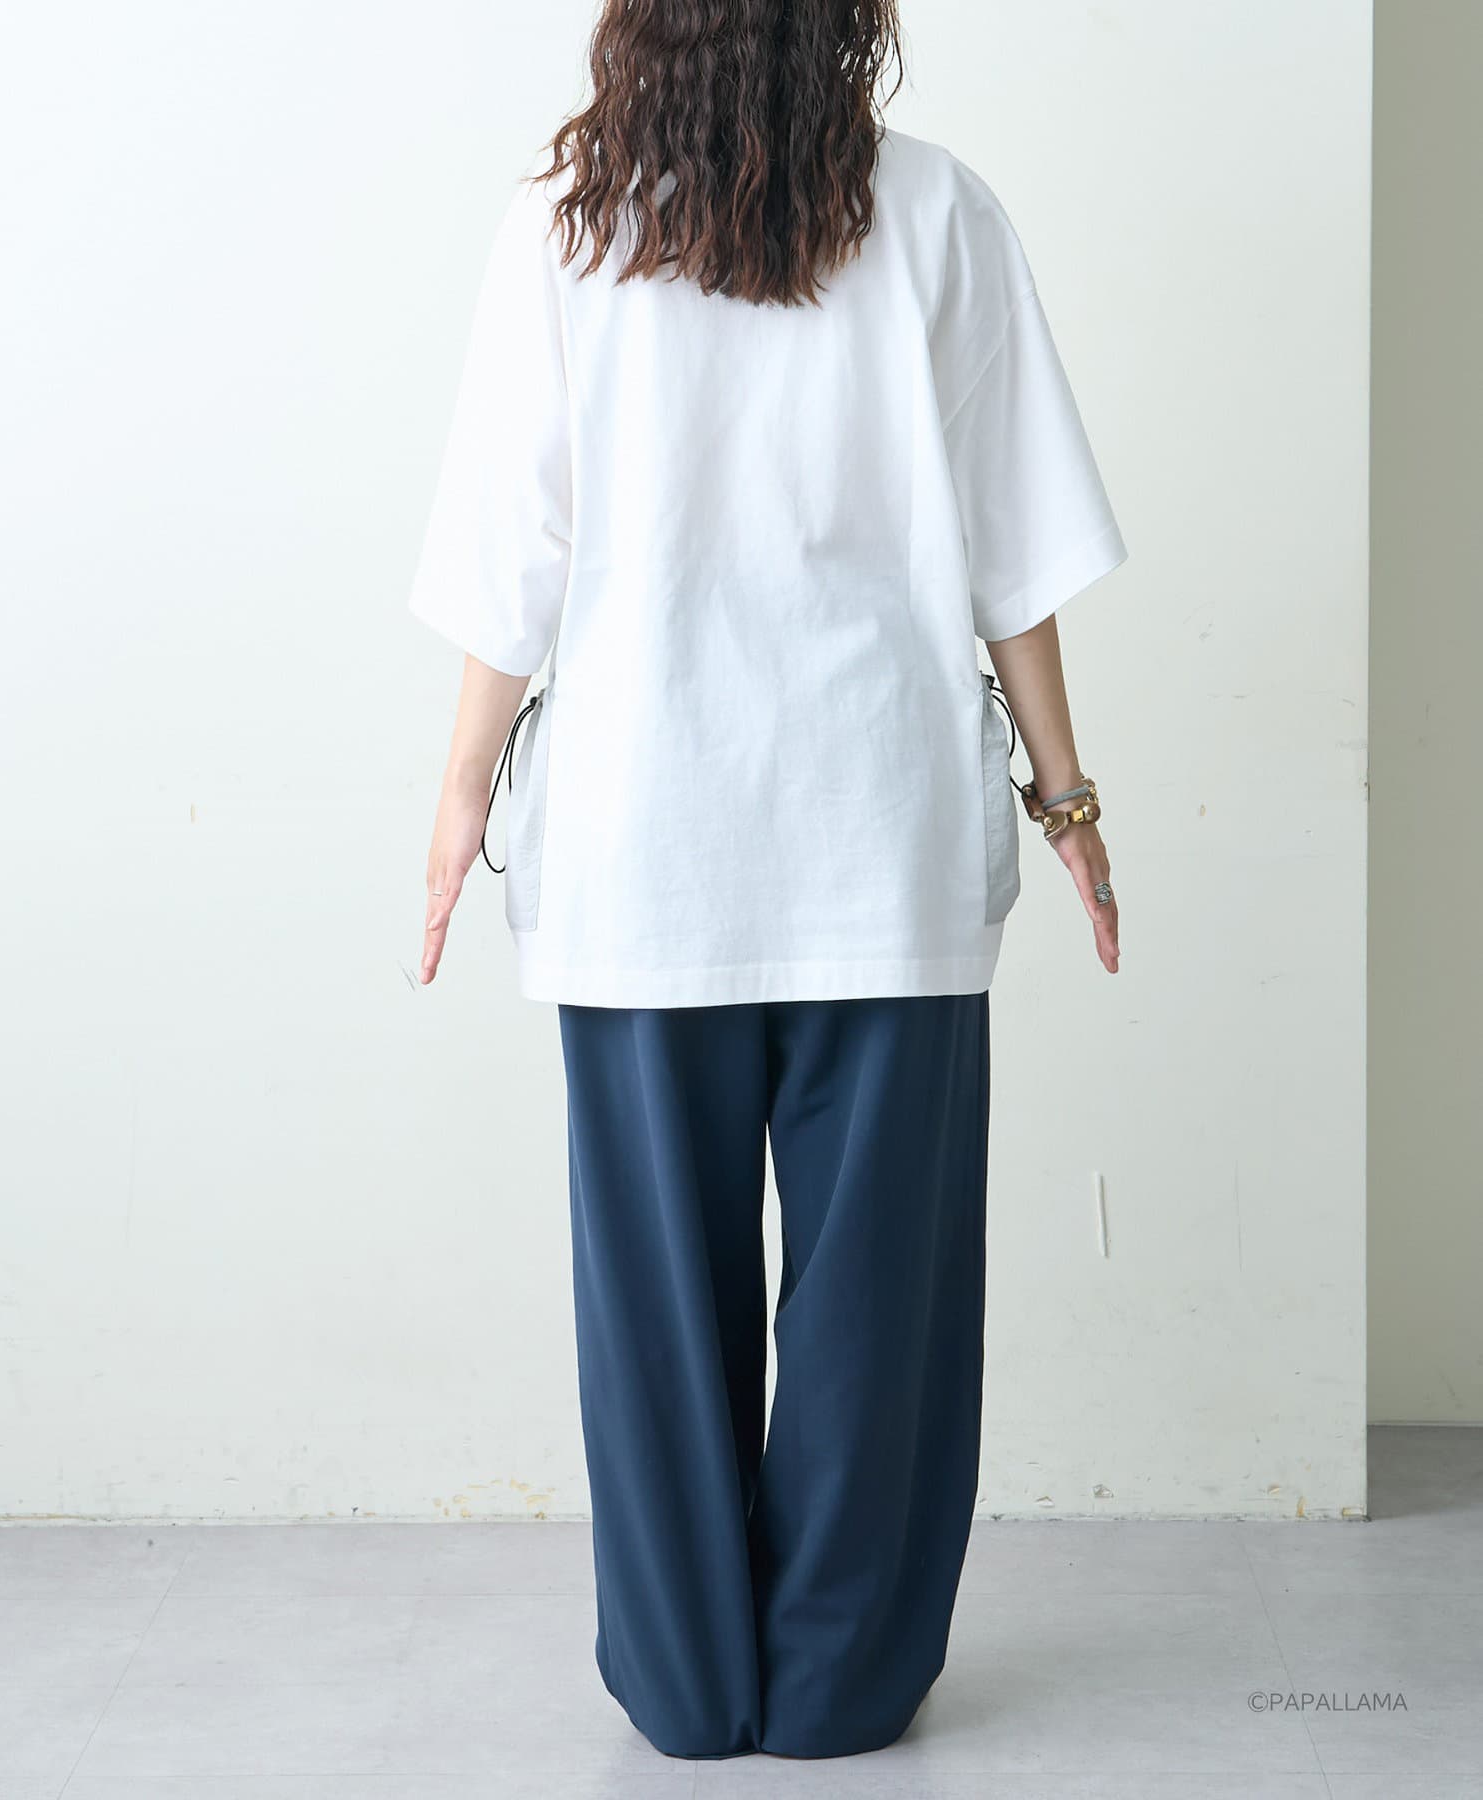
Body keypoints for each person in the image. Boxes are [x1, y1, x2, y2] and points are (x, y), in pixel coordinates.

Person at [407, 0, 1126, 1764]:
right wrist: (1067, 796)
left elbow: (514, 563)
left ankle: (686, 1683)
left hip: (640, 855)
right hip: (883, 843)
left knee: (655, 1308)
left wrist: (458, 800)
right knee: (883, 1307)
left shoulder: (564, 232)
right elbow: (1013, 555)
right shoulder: (938, 210)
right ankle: (844, 1683)